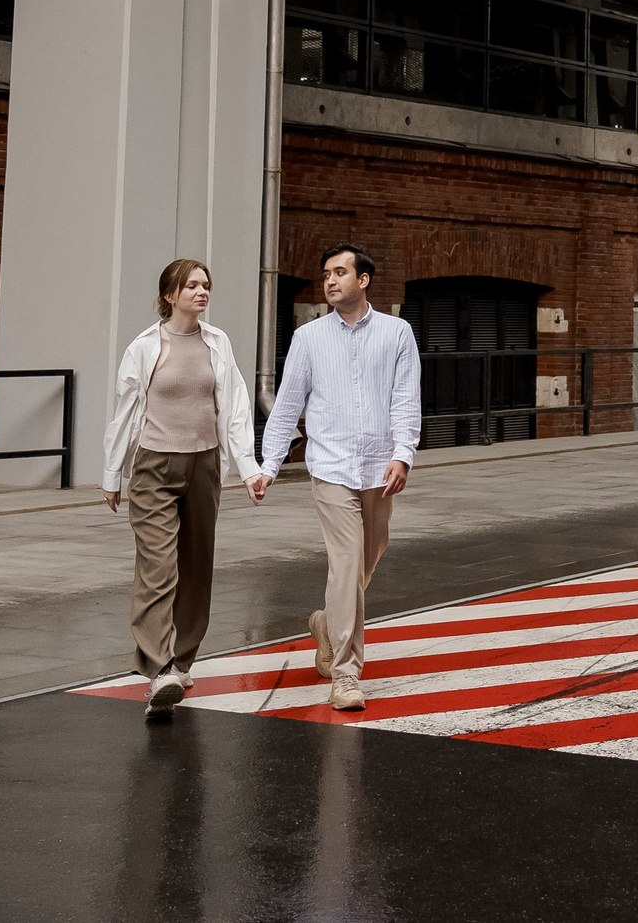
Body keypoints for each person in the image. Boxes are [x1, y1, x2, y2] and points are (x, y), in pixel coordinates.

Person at [102, 258, 270, 720]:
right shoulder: (144, 347)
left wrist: (249, 468)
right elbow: (125, 411)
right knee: (158, 566)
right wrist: (112, 473)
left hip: (204, 466)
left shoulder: (217, 343)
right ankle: (160, 668)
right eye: (191, 285)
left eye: (205, 285)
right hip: (153, 466)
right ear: (169, 295)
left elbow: (234, 408)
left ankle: (183, 659)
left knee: (197, 565)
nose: (202, 291)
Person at [260, 242, 420, 712]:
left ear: (363, 280)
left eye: (339, 273)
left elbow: (406, 399)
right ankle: (347, 675)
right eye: (326, 274)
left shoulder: (397, 333)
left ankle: (327, 624)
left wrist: (404, 454)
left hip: (379, 467)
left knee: (370, 555)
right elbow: (287, 404)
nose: (330, 281)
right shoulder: (309, 339)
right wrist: (268, 465)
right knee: (347, 564)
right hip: (330, 467)